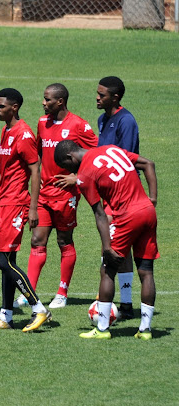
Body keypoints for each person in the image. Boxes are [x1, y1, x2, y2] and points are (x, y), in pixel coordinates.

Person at [54, 140, 157, 340]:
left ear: (70, 157)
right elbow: (148, 164)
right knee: (146, 271)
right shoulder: (111, 149)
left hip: (126, 216)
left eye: (67, 167)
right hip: (147, 211)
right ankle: (145, 330)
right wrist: (152, 199)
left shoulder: (85, 175)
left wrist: (107, 248)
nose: (70, 171)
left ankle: (102, 329)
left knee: (107, 270)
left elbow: (100, 214)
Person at [15, 83, 97, 309]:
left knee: (64, 241)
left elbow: (97, 153)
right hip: (43, 193)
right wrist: (37, 172)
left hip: (66, 194)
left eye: (47, 99)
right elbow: (38, 152)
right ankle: (29, 293)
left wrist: (76, 177)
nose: (43, 103)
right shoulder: (42, 123)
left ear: (60, 101)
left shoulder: (79, 125)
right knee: (36, 240)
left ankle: (62, 292)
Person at [0, 89, 52, 331]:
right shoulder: (6, 130)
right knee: (7, 261)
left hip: (17, 205)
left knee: (5, 262)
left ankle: (38, 308)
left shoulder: (24, 134)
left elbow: (35, 171)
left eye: (1, 106)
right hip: (3, 204)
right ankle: (6, 316)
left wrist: (32, 209)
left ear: (15, 107)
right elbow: (2, 169)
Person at [96, 76, 140, 319]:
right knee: (118, 250)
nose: (97, 97)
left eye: (102, 95)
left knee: (115, 251)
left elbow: (127, 161)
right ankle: (125, 304)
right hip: (108, 195)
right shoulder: (104, 119)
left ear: (115, 97)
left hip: (123, 196)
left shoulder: (126, 121)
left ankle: (122, 304)